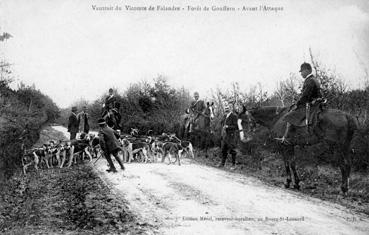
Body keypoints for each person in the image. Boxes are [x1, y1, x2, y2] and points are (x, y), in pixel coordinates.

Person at [276, 62, 322, 143]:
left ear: (307, 70)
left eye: (302, 71)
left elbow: (305, 96)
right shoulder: (314, 79)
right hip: (316, 104)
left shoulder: (309, 81)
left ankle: (287, 138)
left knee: (289, 115)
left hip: (311, 105)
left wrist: (297, 104)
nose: (301, 73)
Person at [217, 102, 238, 170]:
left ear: (231, 108)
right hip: (224, 136)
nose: (227, 108)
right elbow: (221, 124)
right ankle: (222, 164)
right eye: (226, 107)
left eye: (228, 107)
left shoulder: (234, 116)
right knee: (223, 150)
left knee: (232, 150)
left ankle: (233, 165)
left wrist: (228, 126)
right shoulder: (224, 116)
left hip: (231, 136)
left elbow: (236, 126)